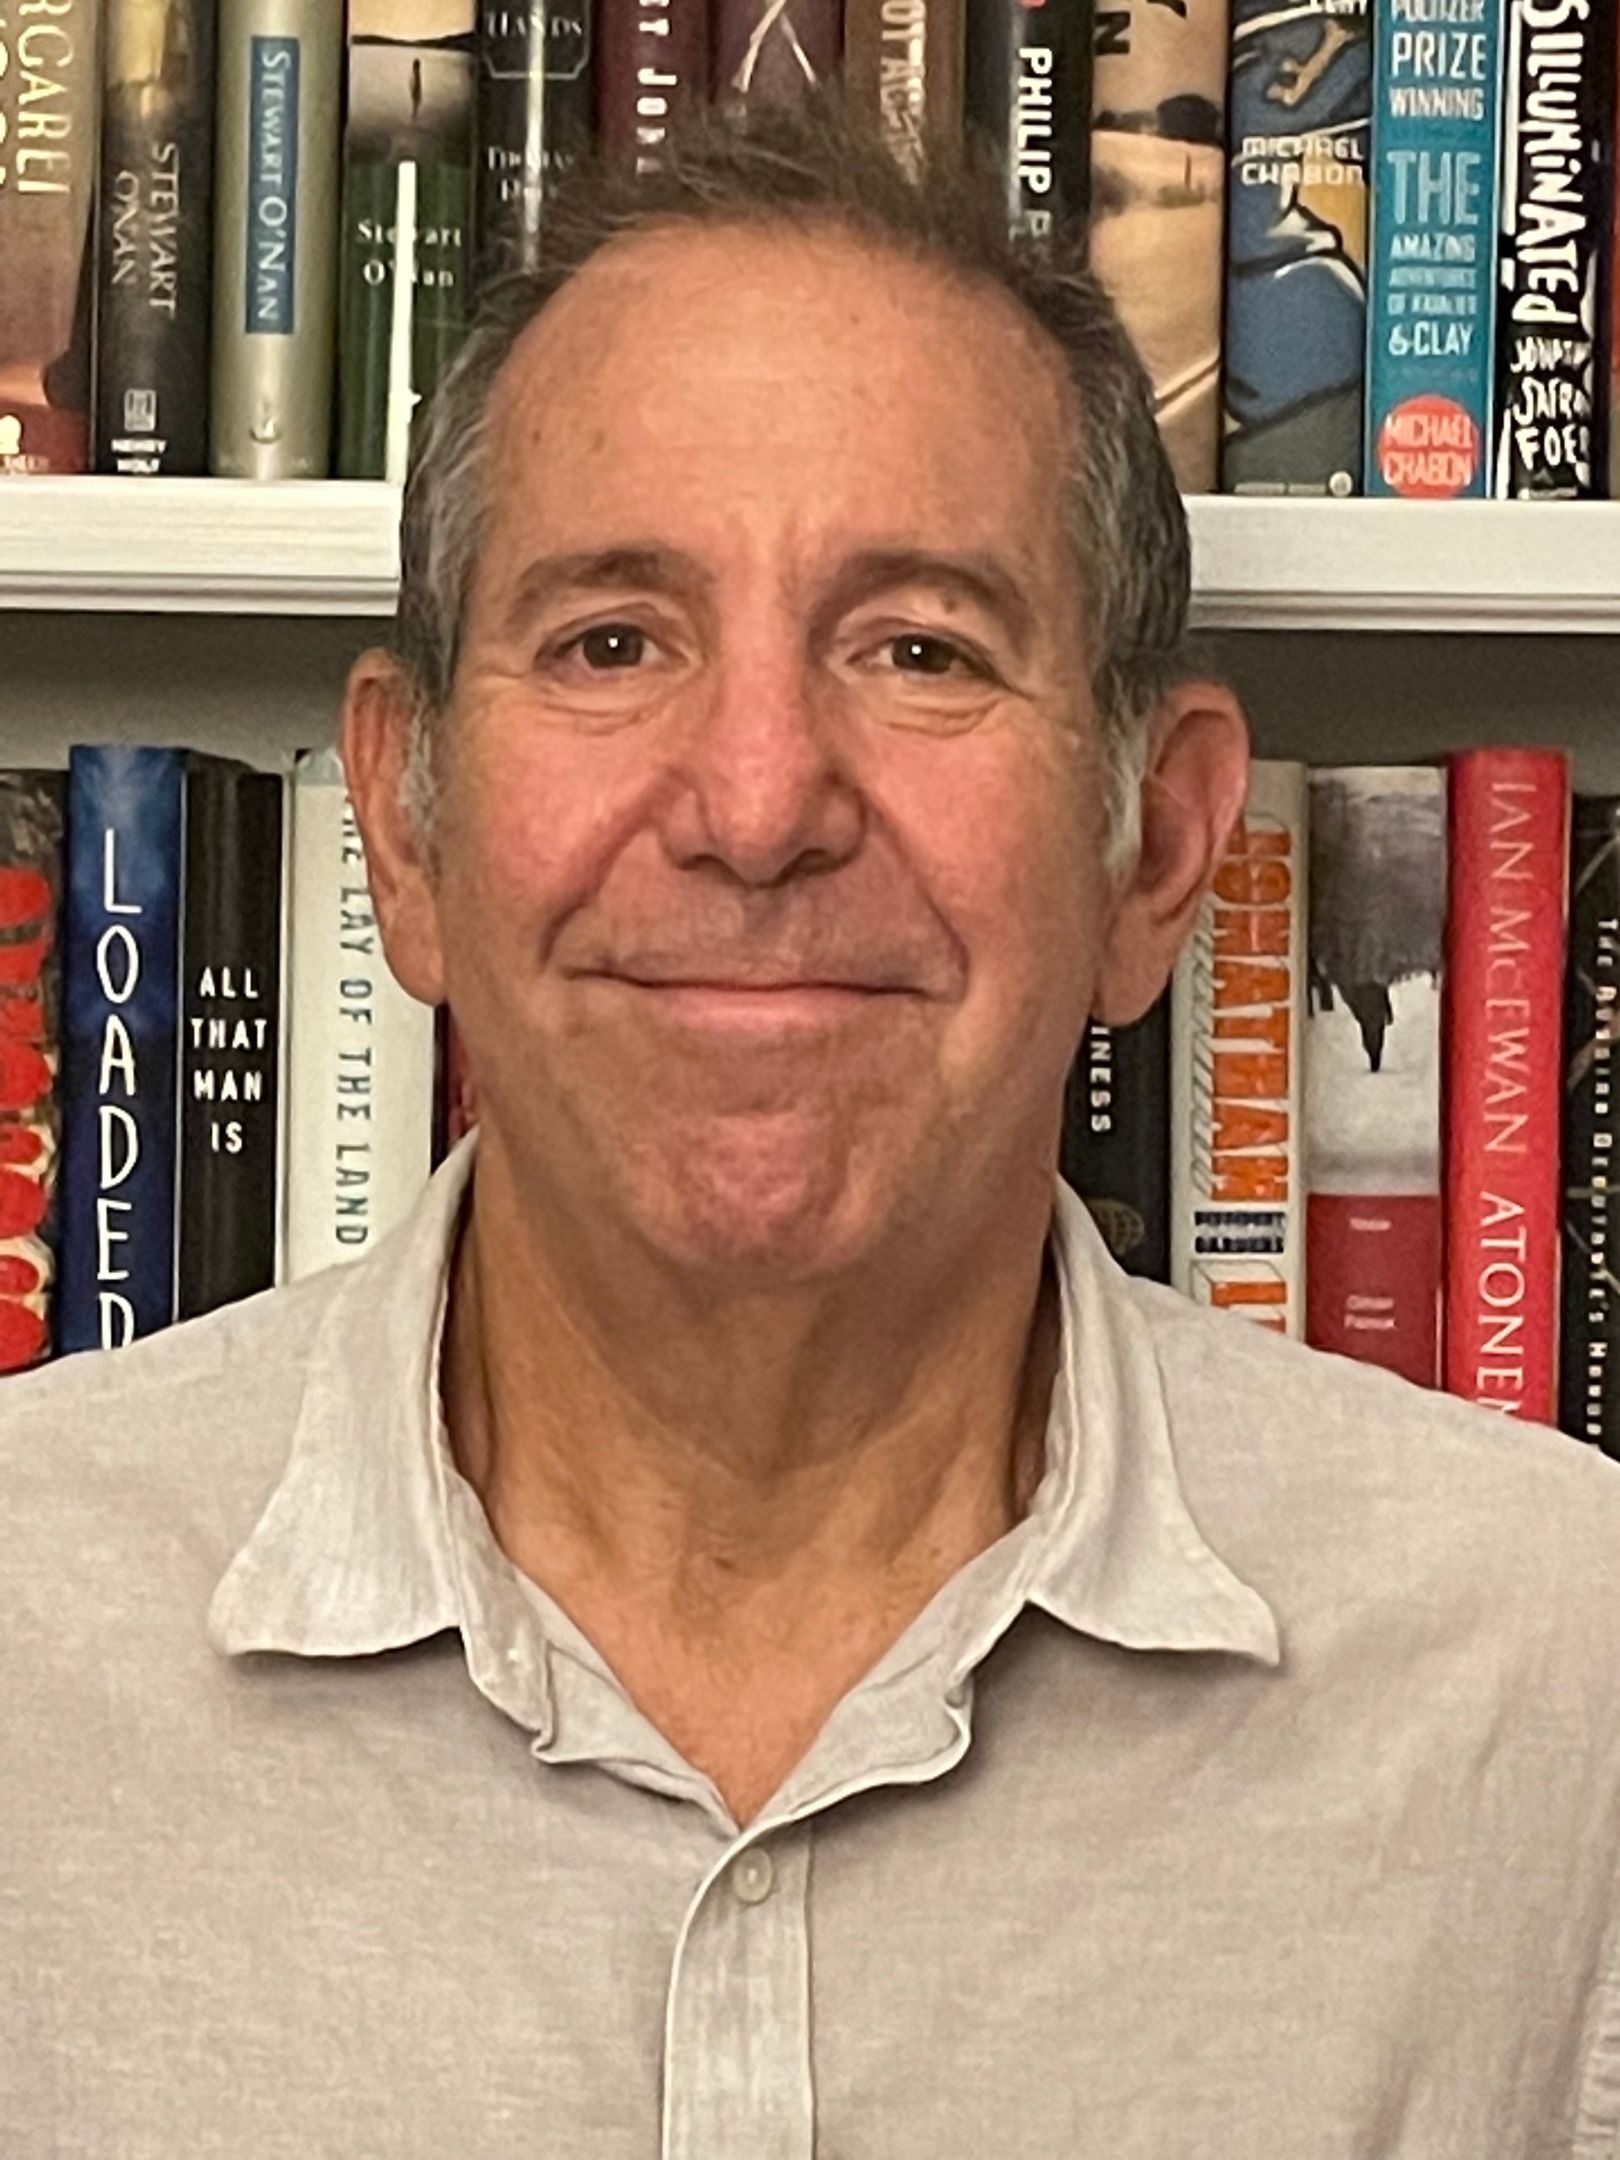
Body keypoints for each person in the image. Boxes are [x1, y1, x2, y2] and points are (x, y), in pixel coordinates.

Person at [6, 92, 1620, 2160]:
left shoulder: (1559, 1683)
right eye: (612, 641)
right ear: (403, 825)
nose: (760, 804)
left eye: (920, 648)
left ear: (1158, 848)